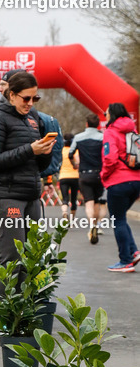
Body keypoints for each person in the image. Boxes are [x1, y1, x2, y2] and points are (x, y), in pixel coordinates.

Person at [0, 71, 57, 342]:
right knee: (12, 262)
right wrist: (30, 150)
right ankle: (1, 323)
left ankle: (21, 317)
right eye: (26, 98)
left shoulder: (33, 119)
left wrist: (45, 153)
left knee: (31, 261)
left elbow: (36, 165)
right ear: (11, 94)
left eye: (36, 97)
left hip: (30, 195)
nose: (31, 103)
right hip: (3, 196)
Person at [101, 102, 140, 271]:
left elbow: (110, 158)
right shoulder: (133, 131)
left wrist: (103, 175)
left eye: (106, 113)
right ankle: (133, 252)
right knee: (121, 218)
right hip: (137, 181)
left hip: (118, 182)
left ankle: (125, 261)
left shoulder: (110, 132)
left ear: (112, 114)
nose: (105, 115)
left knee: (117, 220)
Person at [69, 113, 105, 243]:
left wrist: (75, 164)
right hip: (99, 173)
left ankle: (91, 226)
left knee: (88, 202)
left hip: (84, 173)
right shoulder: (103, 137)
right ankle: (95, 224)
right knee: (97, 202)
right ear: (98, 125)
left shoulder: (78, 138)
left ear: (86, 124)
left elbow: (70, 153)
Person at [58, 133, 79, 219]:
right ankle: (72, 219)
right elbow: (78, 163)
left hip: (63, 176)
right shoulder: (75, 151)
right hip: (75, 177)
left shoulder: (61, 151)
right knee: (74, 199)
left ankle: (64, 212)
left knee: (65, 198)